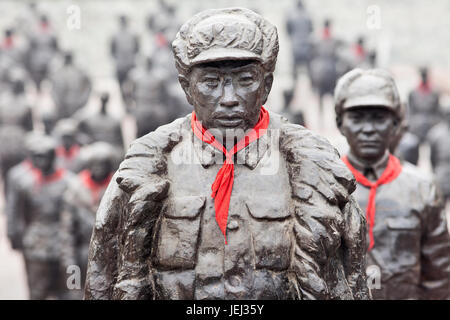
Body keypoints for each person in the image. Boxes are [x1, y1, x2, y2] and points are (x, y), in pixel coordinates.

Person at [84, 8, 369, 300]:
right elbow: (102, 277)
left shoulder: (315, 168)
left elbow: (352, 280)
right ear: (187, 88)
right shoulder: (145, 167)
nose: (229, 99)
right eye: (211, 82)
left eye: (246, 80)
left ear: (267, 85)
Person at [335, 68, 450, 299]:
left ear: (396, 124)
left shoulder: (423, 188)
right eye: (357, 118)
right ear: (340, 123)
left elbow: (438, 277)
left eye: (379, 118)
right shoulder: (322, 184)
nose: (368, 129)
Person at [6, 134, 74, 299]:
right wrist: (15, 237)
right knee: (37, 291)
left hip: (63, 246)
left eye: (43, 157)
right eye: (36, 157)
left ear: (53, 157)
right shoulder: (24, 182)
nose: (39, 161)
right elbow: (15, 213)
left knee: (68, 290)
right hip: (35, 246)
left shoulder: (69, 182)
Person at [61, 142, 117, 299]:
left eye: (102, 164)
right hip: (83, 256)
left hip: (112, 256)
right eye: (94, 164)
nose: (98, 168)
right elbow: (67, 233)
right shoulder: (75, 190)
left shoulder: (119, 186)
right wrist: (71, 271)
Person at [50, 52, 92, 120]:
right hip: (70, 105)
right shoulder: (79, 72)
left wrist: (82, 101)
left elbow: (53, 92)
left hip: (71, 105)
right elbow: (88, 88)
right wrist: (82, 101)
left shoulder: (58, 73)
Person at [110, 15, 139, 107]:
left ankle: (127, 103)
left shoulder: (116, 35)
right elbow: (137, 49)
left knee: (127, 84)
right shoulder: (132, 34)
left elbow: (112, 51)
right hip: (128, 64)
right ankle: (128, 103)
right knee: (129, 85)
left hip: (124, 64)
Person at [25, 14, 58, 92]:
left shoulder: (52, 34)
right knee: (38, 80)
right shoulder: (35, 34)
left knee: (49, 79)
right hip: (38, 61)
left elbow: (56, 48)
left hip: (47, 61)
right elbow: (30, 48)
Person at [407, 67, 441, 143]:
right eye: (423, 75)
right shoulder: (413, 93)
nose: (424, 77)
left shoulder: (435, 93)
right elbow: (410, 112)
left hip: (430, 127)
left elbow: (438, 112)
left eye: (425, 75)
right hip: (416, 128)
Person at [285, 0, 313, 85]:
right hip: (306, 45)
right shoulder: (307, 15)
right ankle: (310, 87)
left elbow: (287, 29)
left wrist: (292, 37)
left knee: (294, 69)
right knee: (308, 69)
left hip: (295, 44)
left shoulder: (291, 16)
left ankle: (294, 86)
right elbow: (311, 29)